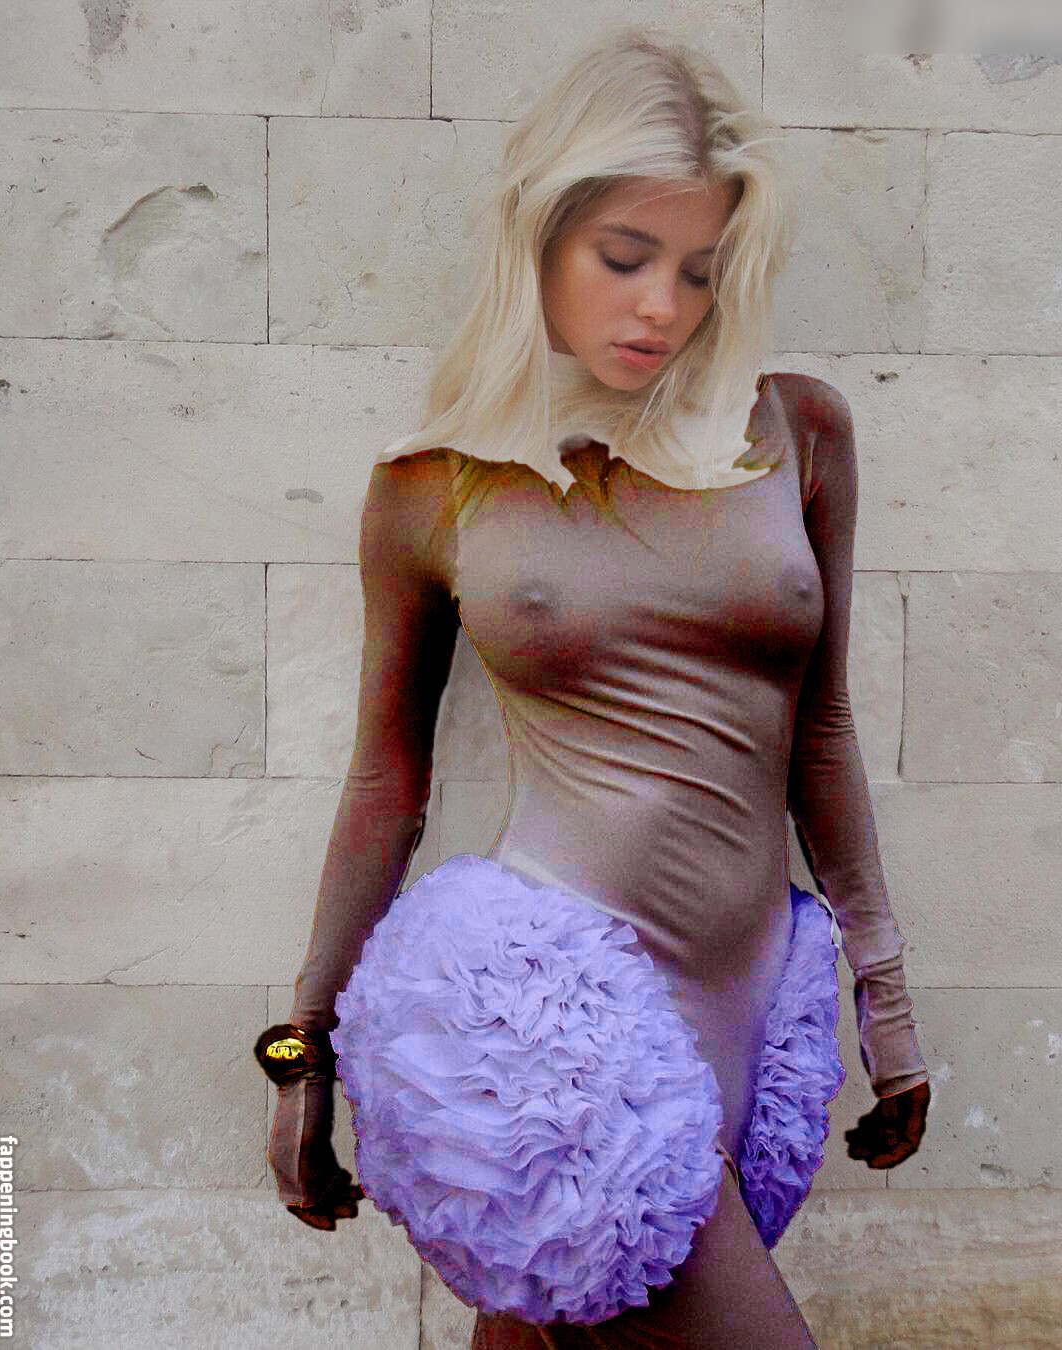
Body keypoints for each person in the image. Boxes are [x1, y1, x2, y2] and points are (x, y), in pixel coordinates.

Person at [255, 24, 931, 1349]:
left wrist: (884, 997)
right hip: (543, 1042)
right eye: (624, 257)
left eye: (699, 269)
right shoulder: (435, 485)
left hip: (750, 1011)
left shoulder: (797, 431)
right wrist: (299, 1056)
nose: (661, 307)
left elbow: (825, 732)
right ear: (543, 237)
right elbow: (386, 783)